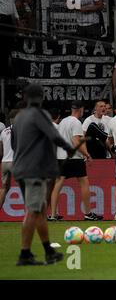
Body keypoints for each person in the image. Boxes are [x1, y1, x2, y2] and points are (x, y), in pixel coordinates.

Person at [12, 84, 74, 265]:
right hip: (34, 170)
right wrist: (68, 148)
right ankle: (24, 254)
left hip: (21, 168)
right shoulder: (39, 115)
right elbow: (53, 135)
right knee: (33, 211)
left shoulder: (19, 117)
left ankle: (48, 251)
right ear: (41, 98)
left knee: (38, 210)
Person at [49, 101, 103, 221]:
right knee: (84, 183)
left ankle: (53, 215)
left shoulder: (63, 121)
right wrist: (87, 154)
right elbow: (76, 141)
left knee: (57, 185)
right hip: (74, 158)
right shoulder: (76, 122)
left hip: (61, 157)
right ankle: (88, 213)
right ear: (81, 109)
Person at [0, 109, 18, 210]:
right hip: (15, 161)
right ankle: (30, 216)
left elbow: (1, 151)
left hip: (4, 162)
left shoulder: (4, 131)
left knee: (4, 189)